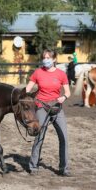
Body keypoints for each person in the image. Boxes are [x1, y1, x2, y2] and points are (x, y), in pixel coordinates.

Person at [26, 49, 71, 177]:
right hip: (42, 106)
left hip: (57, 107)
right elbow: (28, 88)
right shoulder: (38, 72)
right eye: (44, 57)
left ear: (54, 59)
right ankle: (33, 167)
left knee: (64, 138)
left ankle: (64, 169)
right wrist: (24, 93)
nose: (46, 60)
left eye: (48, 57)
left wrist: (64, 97)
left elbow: (67, 92)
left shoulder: (61, 74)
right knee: (39, 137)